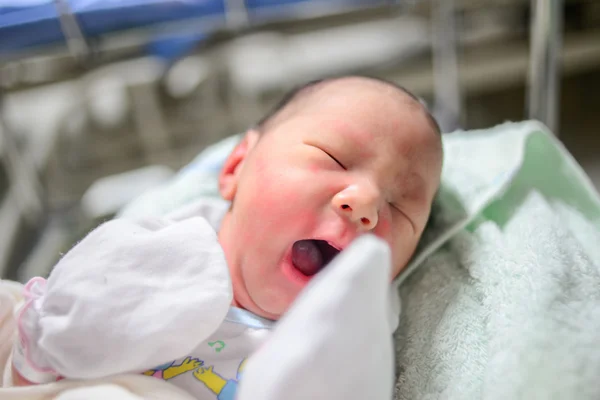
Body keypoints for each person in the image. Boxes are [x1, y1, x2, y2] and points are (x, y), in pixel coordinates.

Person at [9, 76, 443, 399]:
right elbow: (40, 356)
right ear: (236, 168)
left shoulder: (354, 338)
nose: (366, 204)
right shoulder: (151, 252)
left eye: (401, 206)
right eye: (334, 158)